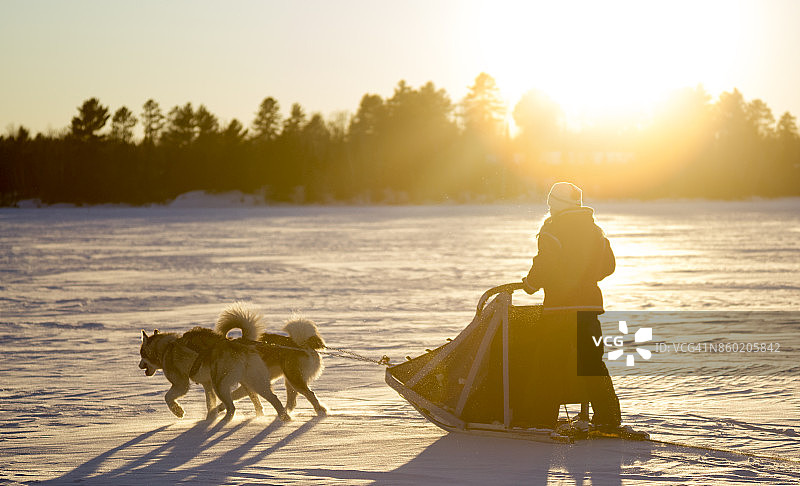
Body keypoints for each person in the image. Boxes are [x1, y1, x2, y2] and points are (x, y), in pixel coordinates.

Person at [521, 181, 621, 428]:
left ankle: (539, 420)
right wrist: (585, 279)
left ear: (554, 204)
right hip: (589, 308)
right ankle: (608, 419)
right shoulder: (594, 230)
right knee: (591, 364)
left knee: (549, 363)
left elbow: (545, 264)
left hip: (559, 310)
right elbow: (608, 265)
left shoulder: (553, 230)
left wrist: (531, 285)